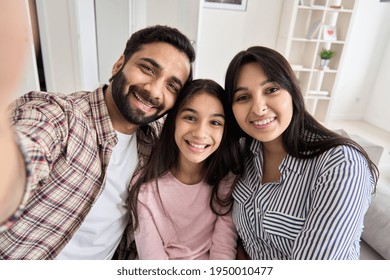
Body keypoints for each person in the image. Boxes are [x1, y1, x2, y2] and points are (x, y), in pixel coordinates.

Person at [0, 24, 195, 260]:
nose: (154, 91)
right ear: (118, 65)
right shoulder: (59, 116)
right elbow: (28, 147)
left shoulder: (154, 137)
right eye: (148, 69)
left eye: (171, 86)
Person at [224, 46, 379, 260]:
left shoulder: (342, 164)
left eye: (271, 90)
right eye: (243, 97)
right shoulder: (243, 152)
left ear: (293, 91)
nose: (258, 108)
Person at [129, 79, 241, 259]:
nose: (200, 133)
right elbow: (152, 258)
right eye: (190, 118)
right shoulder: (145, 189)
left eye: (215, 123)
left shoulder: (226, 183)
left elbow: (223, 249)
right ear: (173, 121)